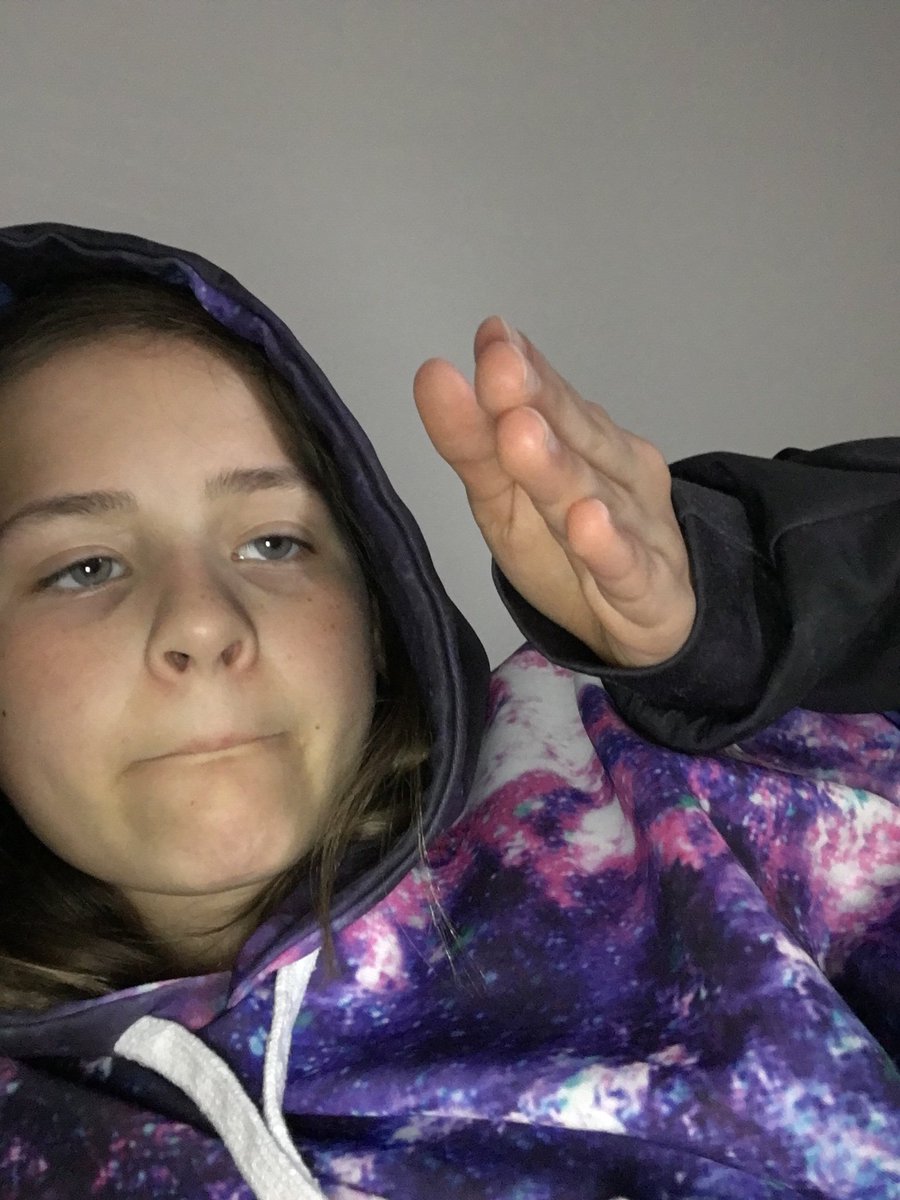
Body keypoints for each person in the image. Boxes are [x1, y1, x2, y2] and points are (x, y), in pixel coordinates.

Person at [0, 222, 895, 1200]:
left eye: (272, 544)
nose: (204, 623)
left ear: (376, 612)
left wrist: (747, 608)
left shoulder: (637, 782)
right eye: (85, 567)